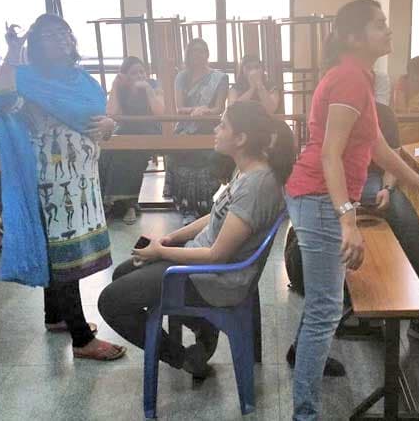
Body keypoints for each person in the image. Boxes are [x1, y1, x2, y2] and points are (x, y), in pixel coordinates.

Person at [283, 0, 419, 420]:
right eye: (379, 25)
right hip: (320, 198)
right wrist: (347, 220)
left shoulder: (358, 76)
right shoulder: (348, 80)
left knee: (323, 305)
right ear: (353, 37)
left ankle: (303, 386)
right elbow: (330, 154)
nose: (388, 30)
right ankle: (304, 414)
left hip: (320, 197)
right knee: (324, 310)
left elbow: (377, 146)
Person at [98, 100, 294, 377]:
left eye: (222, 125)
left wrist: (161, 253)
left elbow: (217, 255)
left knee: (110, 301)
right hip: (203, 268)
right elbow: (217, 214)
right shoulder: (246, 169)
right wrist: (170, 238)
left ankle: (184, 358)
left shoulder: (256, 184)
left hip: (215, 279)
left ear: (241, 138)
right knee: (122, 274)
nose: (216, 129)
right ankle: (203, 326)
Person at [0, 15, 124, 360]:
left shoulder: (81, 81)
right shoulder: (26, 81)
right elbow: (3, 99)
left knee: (62, 255)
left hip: (83, 180)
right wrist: (12, 51)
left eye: (65, 33)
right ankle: (82, 339)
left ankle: (55, 317)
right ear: (35, 45)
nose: (62, 40)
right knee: (65, 258)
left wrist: (112, 124)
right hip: (52, 182)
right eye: (51, 36)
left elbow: (100, 120)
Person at [166, 38, 229, 224]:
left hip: (208, 127)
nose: (198, 55)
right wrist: (195, 110)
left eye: (202, 51)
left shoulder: (219, 78)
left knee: (205, 163)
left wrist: (206, 110)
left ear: (207, 53)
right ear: (188, 54)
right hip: (186, 126)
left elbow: (219, 108)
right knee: (180, 160)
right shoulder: (181, 77)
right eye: (194, 51)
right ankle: (187, 209)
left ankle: (203, 207)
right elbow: (179, 108)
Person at [102, 56, 165, 224]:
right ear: (125, 76)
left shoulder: (153, 85)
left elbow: (160, 113)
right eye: (134, 73)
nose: (139, 75)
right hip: (126, 129)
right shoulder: (121, 88)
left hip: (149, 129)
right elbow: (112, 113)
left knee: (132, 154)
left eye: (142, 71)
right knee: (107, 152)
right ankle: (109, 204)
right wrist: (115, 86)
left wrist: (148, 90)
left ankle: (130, 204)